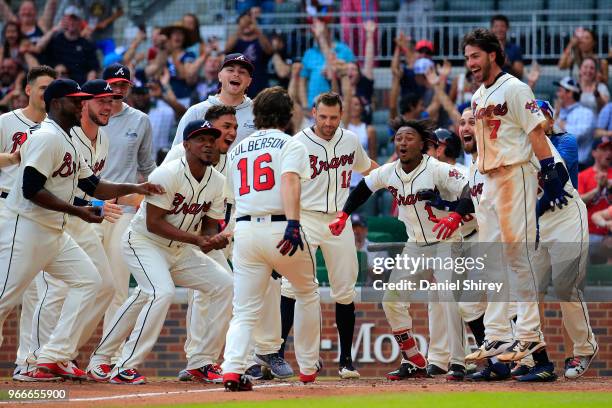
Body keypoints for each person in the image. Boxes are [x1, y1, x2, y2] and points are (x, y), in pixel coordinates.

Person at [0, 78, 162, 380]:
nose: (80, 104)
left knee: (93, 282)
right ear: (57, 103)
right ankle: (32, 363)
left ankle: (52, 357)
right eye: (75, 100)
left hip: (53, 231)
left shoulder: (68, 139)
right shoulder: (48, 136)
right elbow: (31, 188)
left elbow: (95, 186)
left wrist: (137, 186)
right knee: (4, 298)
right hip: (26, 228)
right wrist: (78, 210)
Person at [87, 120, 230, 385]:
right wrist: (198, 240)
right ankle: (124, 366)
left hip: (179, 249)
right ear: (185, 145)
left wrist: (213, 239)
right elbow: (154, 223)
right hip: (143, 241)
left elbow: (209, 225)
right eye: (201, 139)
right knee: (160, 292)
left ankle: (201, 361)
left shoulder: (218, 181)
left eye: (212, 139)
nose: (208, 144)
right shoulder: (168, 173)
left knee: (225, 285)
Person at [331, 120, 471, 380]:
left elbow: (468, 188)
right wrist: (344, 214)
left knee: (449, 298)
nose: (402, 143)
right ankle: (413, 359)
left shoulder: (437, 169)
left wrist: (455, 217)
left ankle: (459, 362)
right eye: (398, 138)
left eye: (409, 138)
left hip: (446, 242)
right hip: (415, 245)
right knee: (391, 300)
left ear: (422, 144)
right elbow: (363, 188)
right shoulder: (389, 171)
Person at [462, 28, 563, 382]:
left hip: (515, 174)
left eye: (475, 55)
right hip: (488, 178)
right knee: (492, 258)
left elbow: (536, 132)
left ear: (493, 54)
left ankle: (529, 336)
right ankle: (497, 335)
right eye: (467, 57)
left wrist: (549, 168)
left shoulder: (516, 88)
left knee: (517, 256)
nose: (470, 63)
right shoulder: (476, 96)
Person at [221, 87, 321, 391]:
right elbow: (289, 180)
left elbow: (231, 198)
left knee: (244, 309)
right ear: (288, 115)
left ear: (257, 114)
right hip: (281, 226)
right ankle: (307, 367)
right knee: (307, 292)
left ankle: (231, 369)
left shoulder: (237, 148)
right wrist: (293, 223)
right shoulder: (292, 144)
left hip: (246, 231)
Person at [25, 79, 124, 380]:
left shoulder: (104, 139)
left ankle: (58, 354)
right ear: (84, 104)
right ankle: (33, 360)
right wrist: (94, 202)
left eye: (113, 100)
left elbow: (90, 184)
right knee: (54, 290)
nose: (109, 106)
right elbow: (54, 186)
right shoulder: (64, 133)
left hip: (82, 220)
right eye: (101, 100)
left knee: (104, 286)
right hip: (48, 218)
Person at [279, 92, 378, 379]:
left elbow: (367, 167)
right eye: (323, 116)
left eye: (334, 117)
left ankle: (346, 360)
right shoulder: (297, 143)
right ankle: (277, 354)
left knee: (345, 289)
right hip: (306, 217)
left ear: (341, 115)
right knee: (290, 286)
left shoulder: (349, 139)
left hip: (338, 218)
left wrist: (391, 174)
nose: (328, 122)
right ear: (313, 112)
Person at [0, 65, 56, 382]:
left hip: (34, 210)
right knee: (7, 287)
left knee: (35, 289)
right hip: (4, 203)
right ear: (28, 90)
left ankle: (28, 360)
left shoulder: (56, 129)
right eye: (41, 87)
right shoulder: (7, 122)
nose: (45, 93)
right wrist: (12, 158)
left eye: (51, 89)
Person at [97, 63, 157, 344]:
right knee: (79, 283)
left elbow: (147, 166)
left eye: (123, 85)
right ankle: (61, 353)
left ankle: (109, 355)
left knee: (119, 285)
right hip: (87, 207)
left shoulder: (141, 120)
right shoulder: (89, 115)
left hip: (124, 209)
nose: (118, 90)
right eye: (113, 84)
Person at [172, 53, 255, 148]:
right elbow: (176, 153)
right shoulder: (196, 111)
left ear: (249, 81)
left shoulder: (258, 114)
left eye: (242, 72)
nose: (236, 74)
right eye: (230, 70)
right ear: (219, 76)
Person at [300, 19, 355, 108]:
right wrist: (305, 104)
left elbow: (354, 73)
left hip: (336, 103)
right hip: (313, 105)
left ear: (329, 31)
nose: (318, 33)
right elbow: (302, 81)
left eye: (321, 30)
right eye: (315, 30)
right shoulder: (309, 53)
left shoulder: (343, 50)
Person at [36, 6, 99, 85]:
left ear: (80, 22)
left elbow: (93, 69)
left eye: (74, 19)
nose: (71, 22)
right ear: (63, 21)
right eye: (68, 19)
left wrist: (88, 86)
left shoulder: (86, 44)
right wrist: (54, 29)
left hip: (79, 86)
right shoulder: (55, 39)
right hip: (56, 85)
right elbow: (38, 48)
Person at [225, 9, 272, 98]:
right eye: (243, 23)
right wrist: (241, 27)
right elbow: (227, 49)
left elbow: (269, 50)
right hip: (239, 82)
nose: (246, 26)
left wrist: (257, 29)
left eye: (249, 23)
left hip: (259, 81)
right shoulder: (236, 39)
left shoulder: (260, 38)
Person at [554, 76, 596, 170]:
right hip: (555, 165)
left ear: (570, 93)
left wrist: (560, 122)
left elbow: (575, 137)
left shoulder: (586, 113)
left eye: (560, 90)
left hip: (578, 167)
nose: (557, 94)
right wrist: (556, 115)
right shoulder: (556, 112)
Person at [578, 139, 611, 247]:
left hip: (610, 234)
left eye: (610, 149)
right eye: (604, 149)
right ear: (594, 153)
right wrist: (597, 189)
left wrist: (609, 185)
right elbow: (579, 202)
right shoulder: (583, 176)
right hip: (589, 233)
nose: (609, 153)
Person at [348, 95, 377, 188]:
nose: (353, 107)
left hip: (363, 181)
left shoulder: (369, 130)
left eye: (356, 104)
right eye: (350, 104)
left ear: (361, 108)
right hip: (344, 183)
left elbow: (373, 156)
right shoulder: (341, 128)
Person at [490, 14, 523, 79]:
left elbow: (520, 75)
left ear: (507, 28)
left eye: (502, 26)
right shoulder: (484, 48)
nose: (499, 29)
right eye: (496, 26)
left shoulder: (515, 49)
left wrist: (508, 64)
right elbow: (470, 68)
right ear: (491, 29)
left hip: (510, 86)